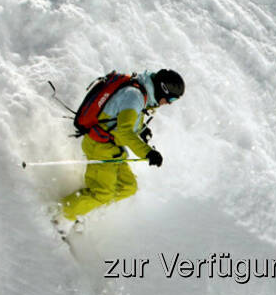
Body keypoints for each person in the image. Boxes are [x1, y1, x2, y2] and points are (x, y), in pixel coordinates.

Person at [57, 68, 185, 224]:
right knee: (102, 192)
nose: (169, 104)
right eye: (170, 100)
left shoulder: (141, 94)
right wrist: (148, 153)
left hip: (113, 148)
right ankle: (59, 216)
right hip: (100, 146)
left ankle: (81, 211)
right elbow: (124, 131)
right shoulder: (134, 96)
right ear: (162, 89)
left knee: (127, 187)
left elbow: (118, 117)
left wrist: (142, 130)